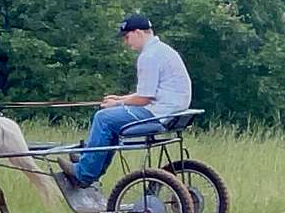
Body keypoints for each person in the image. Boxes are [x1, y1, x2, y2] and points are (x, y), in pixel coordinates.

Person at [58, 14, 192, 188]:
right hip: (170, 111)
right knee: (112, 119)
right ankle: (90, 162)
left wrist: (117, 103)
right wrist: (120, 99)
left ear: (138, 33)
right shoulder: (163, 50)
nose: (127, 43)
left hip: (158, 113)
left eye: (127, 37)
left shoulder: (148, 56)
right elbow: (147, 93)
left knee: (103, 118)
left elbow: (144, 98)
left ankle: (84, 173)